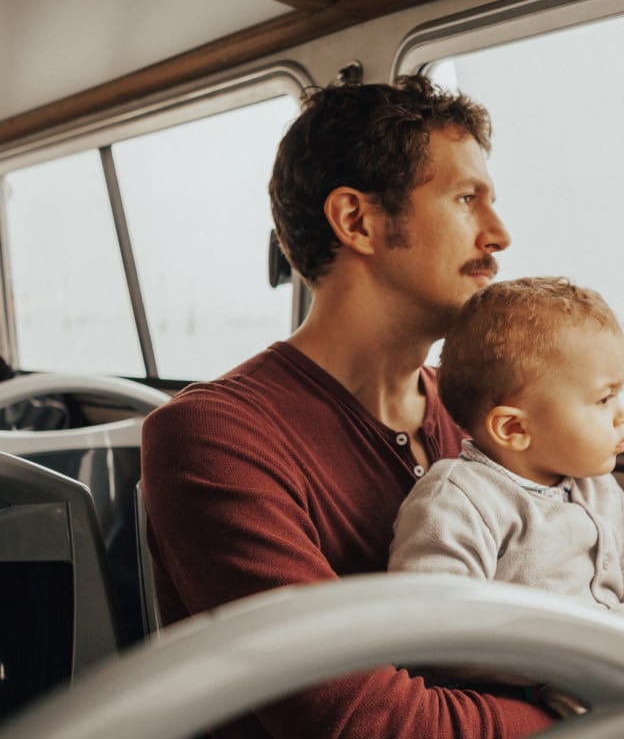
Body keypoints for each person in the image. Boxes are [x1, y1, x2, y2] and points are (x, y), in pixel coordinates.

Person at [140, 76, 556, 738]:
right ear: (357, 221)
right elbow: (366, 725)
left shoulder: (490, 413)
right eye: (466, 199)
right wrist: (580, 707)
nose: (499, 234)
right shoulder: (210, 438)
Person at [389, 277, 624, 647]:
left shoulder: (594, 486)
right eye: (604, 399)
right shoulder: (457, 501)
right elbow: (436, 626)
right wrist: (617, 627)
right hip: (515, 690)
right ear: (514, 428)